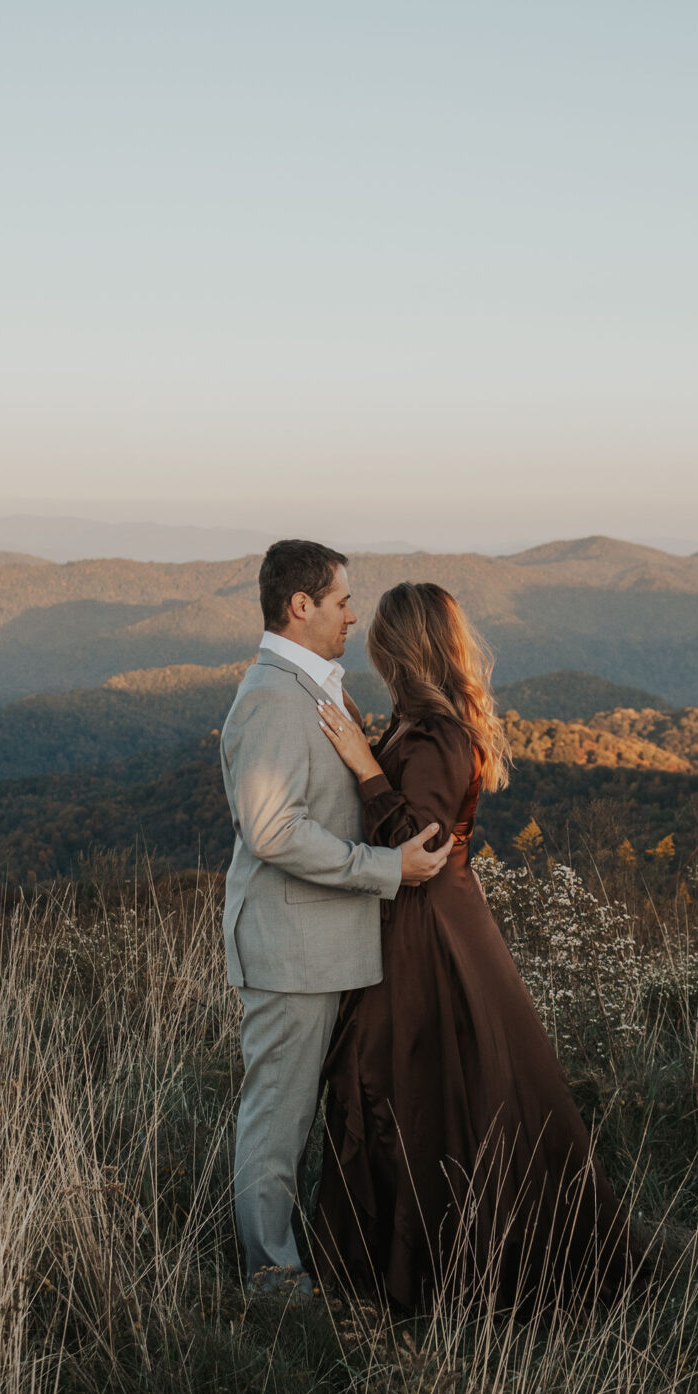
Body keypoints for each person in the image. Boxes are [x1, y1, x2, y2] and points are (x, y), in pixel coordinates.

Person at [310, 580, 638, 1312]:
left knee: (420, 1085)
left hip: (431, 932)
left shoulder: (438, 734)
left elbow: (417, 845)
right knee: (413, 1082)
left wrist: (363, 766)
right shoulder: (418, 724)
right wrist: (367, 743)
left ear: (401, 646)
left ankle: (433, 1270)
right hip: (425, 921)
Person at [221, 540, 450, 1302]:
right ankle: (270, 1276)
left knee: (315, 1117)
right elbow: (274, 830)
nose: (355, 613)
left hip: (326, 945)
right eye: (343, 600)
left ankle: (322, 1255)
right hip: (291, 946)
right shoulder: (271, 696)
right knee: (278, 1117)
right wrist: (385, 870)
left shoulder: (312, 686)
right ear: (300, 606)